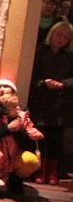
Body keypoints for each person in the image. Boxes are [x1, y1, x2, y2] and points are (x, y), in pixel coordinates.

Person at [28, 20, 73, 185]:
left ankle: (53, 171)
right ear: (52, 34)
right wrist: (43, 83)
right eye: (59, 35)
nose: (61, 39)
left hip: (61, 103)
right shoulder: (39, 51)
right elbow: (29, 76)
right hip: (41, 100)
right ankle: (40, 169)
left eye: (66, 37)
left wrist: (64, 84)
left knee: (57, 139)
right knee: (41, 136)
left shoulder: (69, 56)